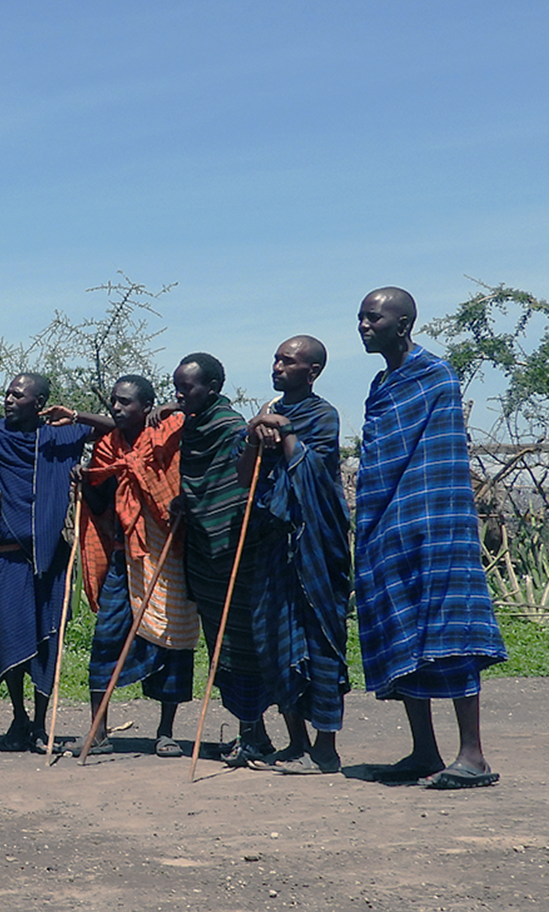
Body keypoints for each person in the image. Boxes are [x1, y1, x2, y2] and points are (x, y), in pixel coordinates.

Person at [355, 288, 507, 789]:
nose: (363, 326)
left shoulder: (434, 375)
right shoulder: (381, 386)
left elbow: (441, 456)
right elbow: (380, 458)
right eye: (360, 318)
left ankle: (474, 755)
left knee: (451, 629)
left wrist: (424, 515)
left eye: (373, 318)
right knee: (400, 627)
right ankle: (423, 749)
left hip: (437, 522)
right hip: (386, 523)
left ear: (403, 325)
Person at [235, 336, 352, 775]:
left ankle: (325, 749)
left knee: (320, 639)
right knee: (274, 639)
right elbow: (244, 478)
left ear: (312, 371)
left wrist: (284, 431)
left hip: (313, 547)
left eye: (288, 361)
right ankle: (295, 743)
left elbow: (313, 475)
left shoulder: (322, 415)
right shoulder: (267, 413)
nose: (278, 366)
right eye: (276, 359)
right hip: (271, 547)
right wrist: (253, 434)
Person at [0, 374, 103, 752]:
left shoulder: (63, 435)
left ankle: (41, 724)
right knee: (8, 635)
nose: (8, 398)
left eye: (18, 394)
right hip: (9, 555)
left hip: (53, 557)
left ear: (40, 401)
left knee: (49, 639)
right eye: (7, 393)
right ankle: (18, 717)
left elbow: (122, 424)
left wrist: (75, 413)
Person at [79, 375, 198, 758]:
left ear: (147, 408)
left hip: (169, 553)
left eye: (126, 402)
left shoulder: (169, 438)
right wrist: (84, 484)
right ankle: (98, 730)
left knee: (173, 638)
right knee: (105, 640)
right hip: (123, 557)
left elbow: (194, 420)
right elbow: (99, 507)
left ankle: (166, 731)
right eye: (114, 401)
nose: (116, 408)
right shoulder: (106, 449)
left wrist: (176, 407)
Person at [174, 352, 272, 765]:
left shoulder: (231, 428)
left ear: (212, 389)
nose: (178, 395)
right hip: (202, 554)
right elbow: (194, 482)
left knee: (244, 643)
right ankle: (254, 733)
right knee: (219, 647)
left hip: (235, 550)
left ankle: (255, 732)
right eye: (174, 387)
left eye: (186, 388)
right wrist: (185, 502)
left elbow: (240, 482)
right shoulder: (191, 427)